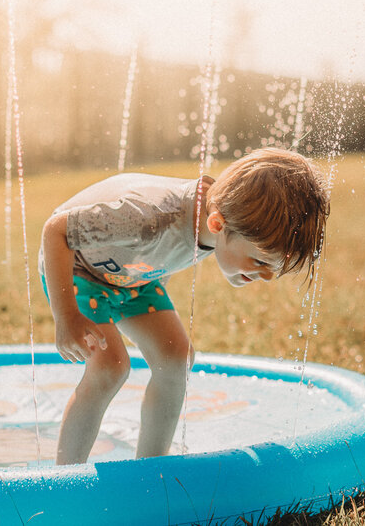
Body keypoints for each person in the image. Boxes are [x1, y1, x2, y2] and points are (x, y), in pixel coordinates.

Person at [38, 147, 329, 465]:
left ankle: (150, 469)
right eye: (260, 261)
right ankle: (66, 478)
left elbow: (165, 252)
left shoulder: (226, 216)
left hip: (133, 277)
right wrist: (66, 316)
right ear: (217, 224)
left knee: (176, 357)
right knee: (110, 367)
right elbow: (57, 231)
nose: (267, 276)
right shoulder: (147, 218)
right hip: (78, 268)